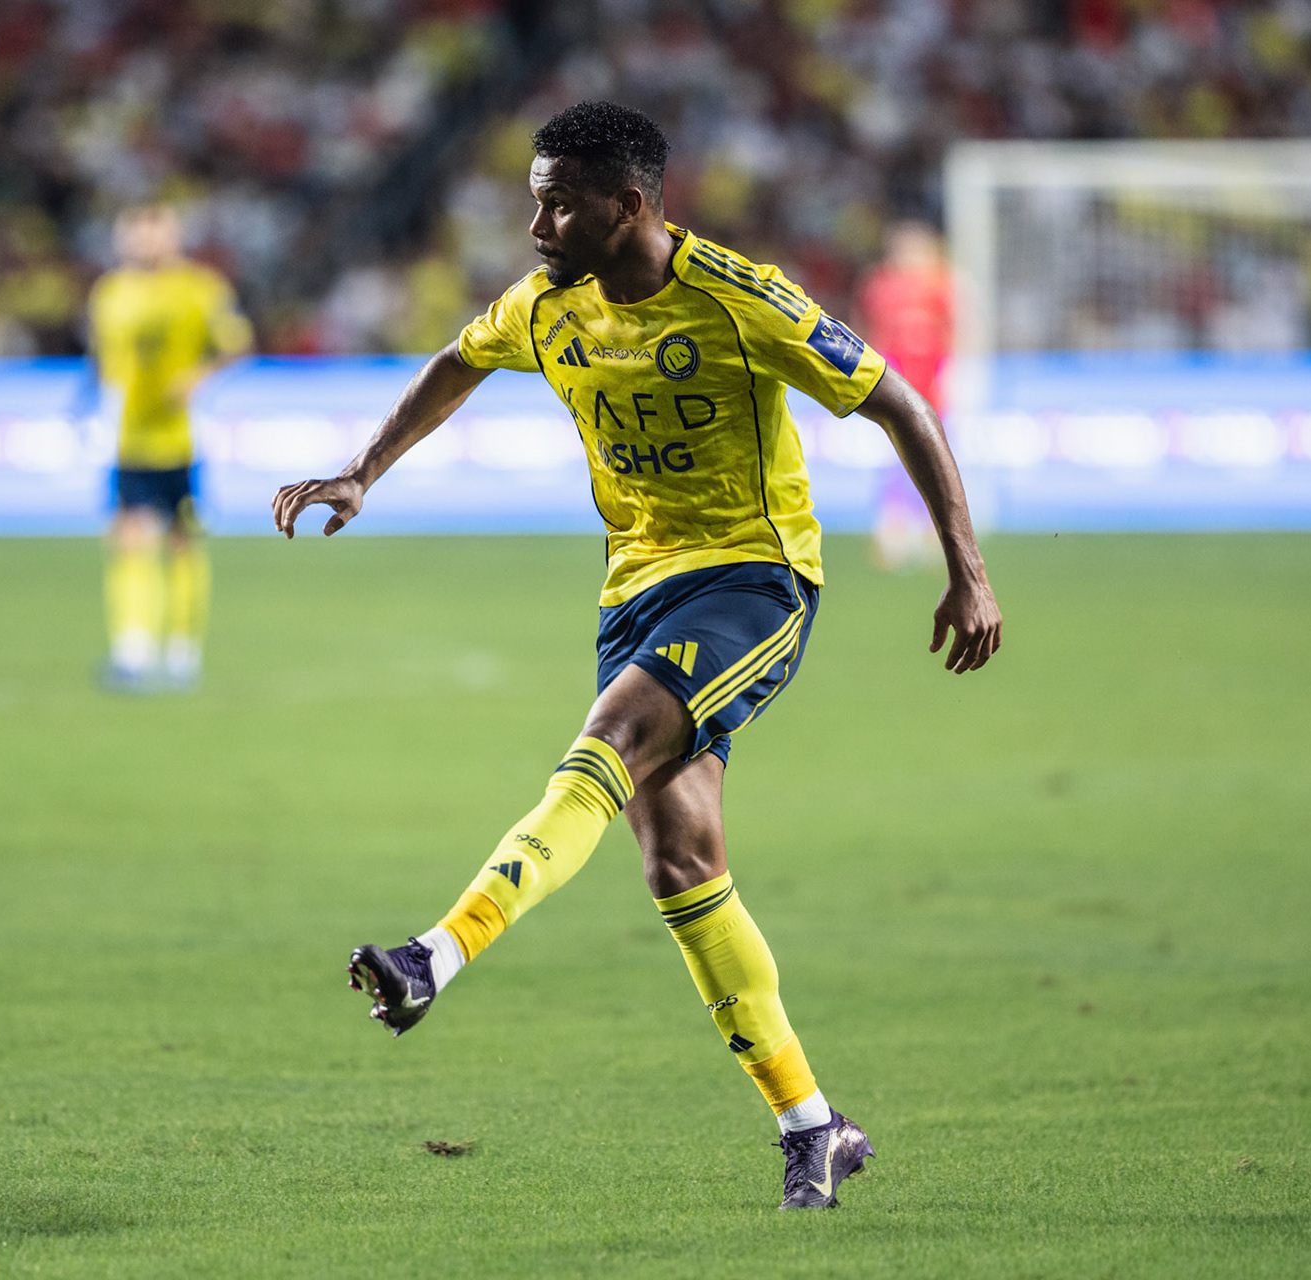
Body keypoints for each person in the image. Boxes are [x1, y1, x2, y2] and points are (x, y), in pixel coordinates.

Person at [273, 102, 1002, 1210]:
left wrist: (969, 567)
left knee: (604, 746)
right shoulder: (548, 306)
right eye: (532, 196)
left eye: (558, 200)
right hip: (635, 590)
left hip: (753, 581)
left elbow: (898, 401)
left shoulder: (739, 299)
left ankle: (435, 954)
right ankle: (814, 1121)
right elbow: (457, 360)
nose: (535, 221)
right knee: (681, 862)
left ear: (631, 204)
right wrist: (364, 469)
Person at [89, 204, 253, 690]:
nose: (144, 243)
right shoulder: (110, 293)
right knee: (129, 539)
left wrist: (197, 378)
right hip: (128, 440)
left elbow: (237, 346)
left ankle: (182, 652)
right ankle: (132, 650)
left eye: (154, 234)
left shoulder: (201, 289)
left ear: (173, 237)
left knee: (183, 543)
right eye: (135, 235)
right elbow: (105, 359)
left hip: (183, 440)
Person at [854, 221, 954, 572]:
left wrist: (958, 374)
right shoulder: (880, 285)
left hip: (933, 383)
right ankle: (893, 530)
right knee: (895, 459)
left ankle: (936, 531)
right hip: (896, 380)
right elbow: (870, 330)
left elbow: (955, 329)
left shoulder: (942, 283)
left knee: (938, 456)